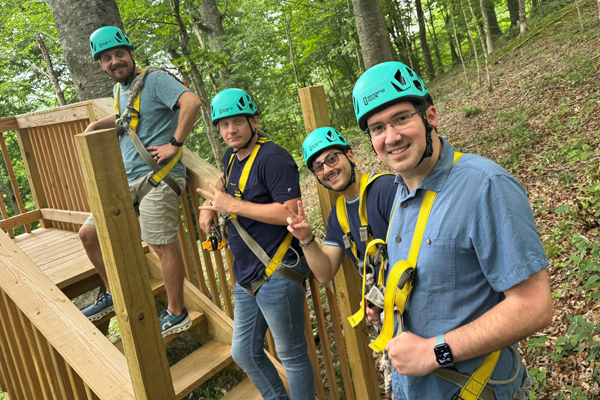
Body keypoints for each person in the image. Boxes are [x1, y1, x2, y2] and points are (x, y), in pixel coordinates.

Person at [351, 61, 553, 400]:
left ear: (430, 117)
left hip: (476, 390)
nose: (392, 137)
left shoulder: (485, 185)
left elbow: (535, 306)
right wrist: (388, 305)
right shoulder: (400, 191)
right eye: (377, 128)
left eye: (402, 118)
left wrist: (433, 351)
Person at [80, 26, 201, 338]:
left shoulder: (156, 79)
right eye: (106, 58)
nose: (114, 61)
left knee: (161, 244)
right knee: (89, 235)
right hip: (127, 181)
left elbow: (192, 103)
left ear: (131, 54)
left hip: (158, 177)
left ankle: (177, 312)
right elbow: (128, 119)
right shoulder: (121, 90)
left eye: (119, 54)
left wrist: (175, 142)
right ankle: (111, 293)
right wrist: (97, 124)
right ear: (101, 64)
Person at [197, 88, 315, 400]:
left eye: (237, 122)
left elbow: (289, 212)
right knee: (245, 352)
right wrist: (211, 205)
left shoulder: (273, 158)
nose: (230, 130)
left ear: (255, 121)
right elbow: (224, 180)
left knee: (292, 357)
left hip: (278, 270)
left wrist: (229, 206)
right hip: (247, 274)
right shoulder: (231, 156)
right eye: (223, 125)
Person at [284, 127, 396, 325]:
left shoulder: (385, 189)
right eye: (318, 167)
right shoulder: (338, 215)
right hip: (387, 313)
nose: (327, 169)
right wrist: (306, 240)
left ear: (350, 156)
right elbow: (325, 272)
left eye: (332, 159)